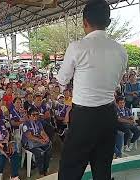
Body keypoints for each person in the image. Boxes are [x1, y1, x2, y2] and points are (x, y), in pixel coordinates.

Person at [57, 1, 128, 179]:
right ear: (108, 23)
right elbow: (117, 82)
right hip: (108, 114)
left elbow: (62, 79)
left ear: (84, 22)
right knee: (103, 166)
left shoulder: (76, 47)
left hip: (84, 117)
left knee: (71, 167)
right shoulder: (121, 51)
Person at [22, 107, 52, 177]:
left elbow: (42, 132)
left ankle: (46, 168)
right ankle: (41, 172)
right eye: (33, 115)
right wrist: (40, 140)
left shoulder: (38, 123)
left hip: (37, 142)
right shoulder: (26, 124)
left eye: (37, 114)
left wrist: (46, 138)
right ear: (29, 116)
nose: (36, 116)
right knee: (40, 153)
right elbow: (29, 136)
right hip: (28, 144)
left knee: (49, 146)